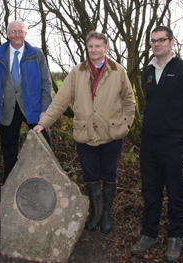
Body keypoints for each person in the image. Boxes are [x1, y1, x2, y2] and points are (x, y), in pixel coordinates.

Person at [34, 31, 136, 234]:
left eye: (99, 46)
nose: (94, 50)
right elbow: (60, 101)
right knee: (90, 175)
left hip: (112, 133)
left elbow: (129, 101)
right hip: (85, 133)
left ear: (106, 48)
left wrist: (126, 124)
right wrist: (44, 123)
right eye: (91, 46)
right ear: (87, 48)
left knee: (109, 174)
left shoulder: (118, 71)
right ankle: (95, 213)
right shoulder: (77, 72)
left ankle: (106, 214)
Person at [130, 26, 183, 262]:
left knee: (175, 191)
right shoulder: (148, 71)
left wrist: (182, 128)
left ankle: (175, 237)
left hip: (174, 141)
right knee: (150, 189)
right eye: (153, 41)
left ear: (172, 42)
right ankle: (149, 233)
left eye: (161, 40)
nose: (156, 44)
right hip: (149, 140)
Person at [0, 21, 52, 183]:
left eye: (20, 31)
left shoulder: (36, 55)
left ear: (25, 34)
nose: (17, 34)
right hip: (7, 110)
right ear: (8, 34)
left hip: (33, 109)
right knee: (8, 151)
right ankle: (10, 186)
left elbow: (46, 83)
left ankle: (46, 181)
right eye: (13, 31)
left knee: (45, 146)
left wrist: (45, 110)